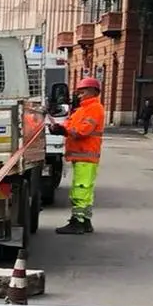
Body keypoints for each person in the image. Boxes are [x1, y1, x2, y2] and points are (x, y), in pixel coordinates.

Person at [54, 75, 106, 235]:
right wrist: (60, 128)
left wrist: (65, 130)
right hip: (83, 156)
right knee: (86, 191)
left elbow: (83, 130)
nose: (79, 95)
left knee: (80, 190)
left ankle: (78, 222)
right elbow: (70, 125)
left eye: (82, 92)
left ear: (92, 91)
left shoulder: (94, 108)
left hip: (86, 155)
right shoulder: (82, 109)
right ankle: (86, 221)